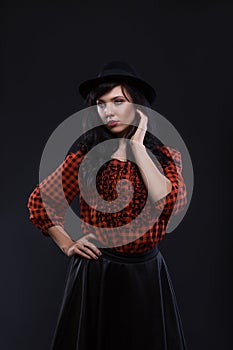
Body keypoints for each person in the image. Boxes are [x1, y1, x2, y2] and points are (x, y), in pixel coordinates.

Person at [27, 61, 188, 350]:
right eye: (101, 104)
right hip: (96, 275)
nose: (108, 111)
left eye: (118, 101)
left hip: (146, 276)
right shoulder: (87, 156)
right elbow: (41, 203)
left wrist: (137, 149)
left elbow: (169, 205)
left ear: (138, 107)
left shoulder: (166, 156)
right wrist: (67, 244)